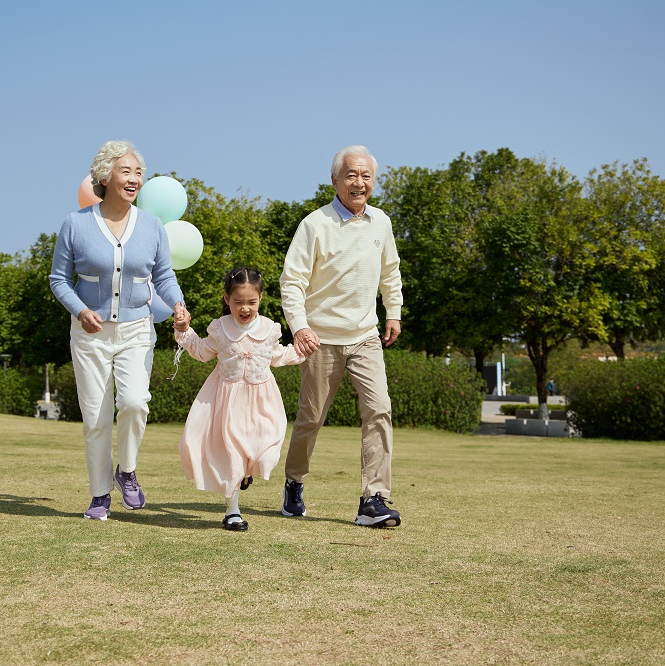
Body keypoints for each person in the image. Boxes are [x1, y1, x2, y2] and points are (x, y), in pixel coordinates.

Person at [50, 140, 186, 521]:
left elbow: (164, 275)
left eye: (138, 173)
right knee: (96, 417)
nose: (134, 179)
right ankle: (99, 495)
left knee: (135, 402)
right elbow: (59, 279)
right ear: (105, 176)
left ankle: (126, 471)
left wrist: (178, 304)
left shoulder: (152, 226)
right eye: (126, 171)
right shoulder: (75, 224)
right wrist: (80, 311)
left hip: (136, 330)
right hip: (90, 334)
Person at [279, 145, 405, 528]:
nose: (359, 182)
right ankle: (294, 482)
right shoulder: (314, 224)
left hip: (365, 336)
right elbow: (292, 281)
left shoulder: (382, 223)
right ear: (335, 180)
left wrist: (394, 311)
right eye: (351, 174)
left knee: (379, 410)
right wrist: (300, 326)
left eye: (366, 176)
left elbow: (391, 272)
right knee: (311, 418)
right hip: (320, 339)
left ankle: (373, 499)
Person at [172, 268, 306, 531]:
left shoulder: (269, 328)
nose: (245, 308)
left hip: (262, 403)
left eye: (251, 302)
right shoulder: (221, 328)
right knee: (232, 456)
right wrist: (185, 331)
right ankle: (232, 511)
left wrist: (303, 350)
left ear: (261, 298)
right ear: (227, 299)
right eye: (238, 302)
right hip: (227, 402)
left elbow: (277, 355)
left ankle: (245, 474)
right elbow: (202, 351)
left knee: (266, 456)